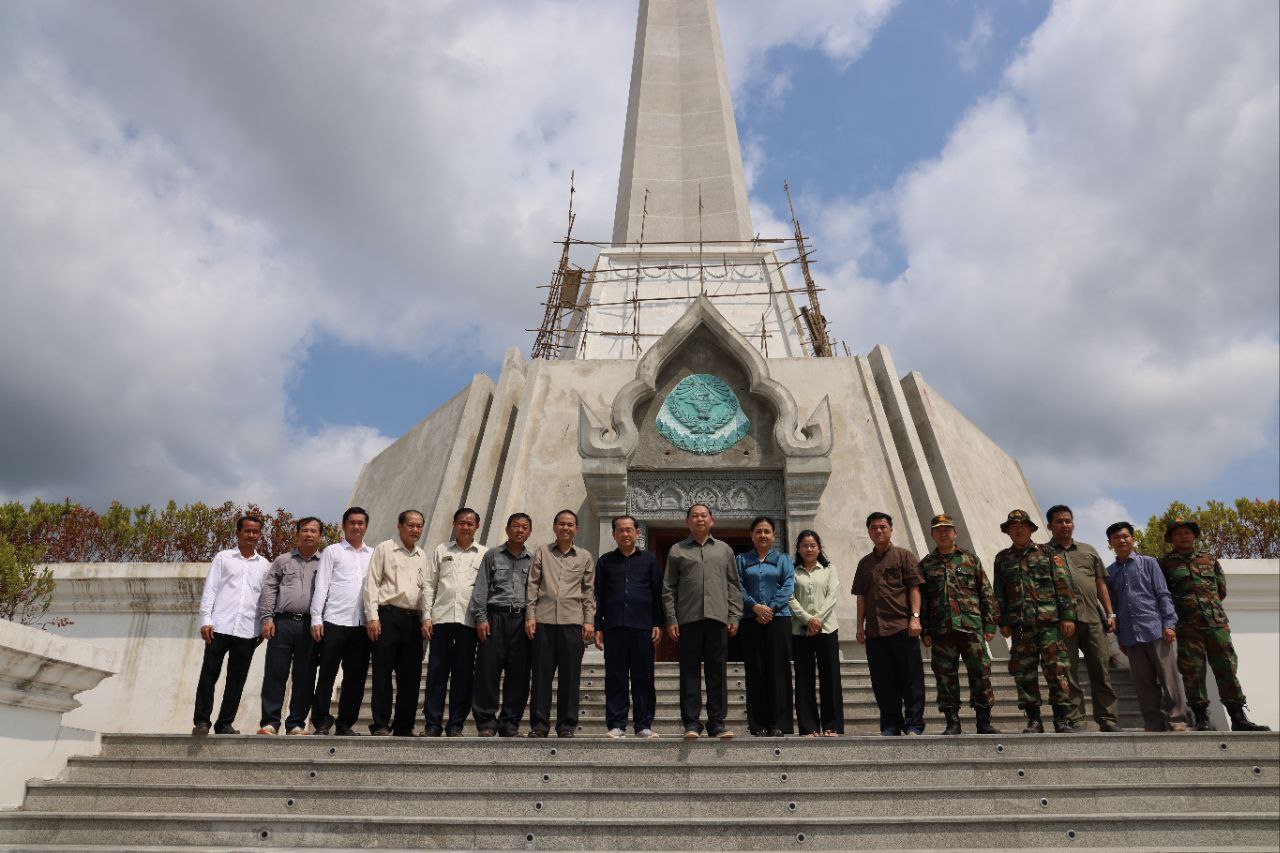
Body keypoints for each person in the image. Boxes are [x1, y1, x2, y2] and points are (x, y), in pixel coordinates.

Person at [1160, 517, 1269, 732]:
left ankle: (1239, 717)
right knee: (1192, 672)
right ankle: (1201, 718)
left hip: (1216, 624)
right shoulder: (1164, 564)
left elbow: (1221, 589)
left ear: (1194, 535)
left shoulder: (1209, 559)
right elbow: (1164, 595)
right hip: (1187, 626)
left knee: (1227, 668)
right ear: (1171, 538)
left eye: (1187, 532)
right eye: (1178, 533)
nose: (1184, 536)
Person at [992, 509, 1077, 734]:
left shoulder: (1048, 554)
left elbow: (1063, 586)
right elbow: (999, 593)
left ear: (1030, 528)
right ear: (1008, 531)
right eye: (1013, 526)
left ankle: (1062, 719)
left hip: (1049, 623)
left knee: (1057, 672)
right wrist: (1002, 621)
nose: (1018, 529)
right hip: (1020, 626)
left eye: (1022, 525)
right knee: (1025, 674)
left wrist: (1067, 616)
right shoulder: (1002, 559)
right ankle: (1034, 720)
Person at [662, 503, 742, 740]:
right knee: (689, 673)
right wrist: (671, 619)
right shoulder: (677, 550)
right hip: (688, 620)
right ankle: (692, 722)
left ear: (711, 520)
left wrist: (734, 615)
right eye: (694, 516)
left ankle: (717, 722)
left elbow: (733, 586)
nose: (699, 519)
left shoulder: (724, 550)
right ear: (687, 521)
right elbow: (668, 588)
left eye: (703, 515)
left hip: (718, 618)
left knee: (717, 672)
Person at [917, 513, 1000, 735]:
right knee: (945, 677)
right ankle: (952, 721)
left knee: (980, 674)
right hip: (941, 630)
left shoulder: (970, 560)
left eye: (947, 529)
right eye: (938, 530)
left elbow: (986, 593)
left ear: (955, 533)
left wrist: (990, 625)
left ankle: (983, 720)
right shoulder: (926, 564)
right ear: (933, 534)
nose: (943, 533)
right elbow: (922, 601)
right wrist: (924, 629)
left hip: (971, 627)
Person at [1104, 521, 1188, 732]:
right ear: (1110, 543)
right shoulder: (1110, 572)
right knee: (1143, 685)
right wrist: (1121, 637)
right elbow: (1113, 606)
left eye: (1125, 536)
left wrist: (1169, 623)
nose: (1121, 540)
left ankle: (1178, 720)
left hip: (1156, 630)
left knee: (1169, 679)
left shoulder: (1149, 563)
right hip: (1131, 636)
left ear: (1132, 539)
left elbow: (1163, 594)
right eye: (1116, 538)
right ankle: (1153, 723)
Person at [1045, 504, 1121, 732]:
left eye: (1068, 520)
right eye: (1059, 521)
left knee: (1101, 670)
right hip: (1062, 623)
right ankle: (1076, 719)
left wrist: (1110, 613)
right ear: (1050, 526)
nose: (1064, 525)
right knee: (1069, 673)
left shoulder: (1088, 550)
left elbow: (1100, 584)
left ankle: (1107, 718)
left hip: (1093, 619)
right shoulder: (1044, 553)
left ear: (1073, 523)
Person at [193, 514, 270, 735]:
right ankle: (202, 721)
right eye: (247, 531)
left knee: (237, 680)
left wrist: (262, 626)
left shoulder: (264, 565)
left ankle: (225, 722)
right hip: (219, 627)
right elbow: (211, 590)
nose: (251, 535)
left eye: (255, 531)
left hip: (248, 630)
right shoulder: (223, 558)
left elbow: (264, 598)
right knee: (209, 675)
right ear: (238, 533)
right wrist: (206, 619)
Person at [852, 512, 925, 736]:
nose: (879, 531)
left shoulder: (904, 556)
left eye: (883, 527)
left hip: (902, 627)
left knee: (911, 679)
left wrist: (915, 617)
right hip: (875, 631)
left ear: (891, 529)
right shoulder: (865, 563)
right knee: (883, 683)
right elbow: (861, 596)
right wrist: (859, 626)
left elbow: (914, 587)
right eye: (874, 528)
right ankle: (891, 724)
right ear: (869, 532)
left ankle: (913, 724)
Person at [526, 509, 595, 738]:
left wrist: (589, 622)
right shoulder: (542, 552)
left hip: (572, 623)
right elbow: (533, 586)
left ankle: (566, 725)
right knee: (541, 676)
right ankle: (539, 725)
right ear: (554, 527)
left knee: (570, 676)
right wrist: (530, 616)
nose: (566, 528)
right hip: (543, 621)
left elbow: (588, 592)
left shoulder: (584, 556)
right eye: (562, 524)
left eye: (570, 524)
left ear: (576, 528)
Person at [593, 514, 663, 738]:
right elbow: (598, 596)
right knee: (615, 677)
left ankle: (643, 725)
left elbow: (657, 594)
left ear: (637, 533)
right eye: (620, 530)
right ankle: (616, 724)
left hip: (642, 627)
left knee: (644, 677)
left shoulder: (649, 560)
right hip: (614, 627)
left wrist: (658, 623)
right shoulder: (605, 561)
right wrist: (598, 627)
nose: (625, 534)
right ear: (614, 534)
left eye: (629, 529)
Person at [421, 507, 486, 737]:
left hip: (469, 623)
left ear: (476, 526)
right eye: (461, 523)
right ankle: (433, 724)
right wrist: (426, 616)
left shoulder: (483, 554)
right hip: (442, 619)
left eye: (470, 523)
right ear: (454, 524)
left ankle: (456, 724)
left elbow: (484, 590)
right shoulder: (441, 550)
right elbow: (430, 584)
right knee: (437, 673)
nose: (465, 527)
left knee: (463, 675)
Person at [309, 507, 374, 736]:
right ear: (344, 526)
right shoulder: (332, 551)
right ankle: (321, 721)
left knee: (355, 678)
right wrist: (316, 618)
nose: (356, 527)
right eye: (352, 523)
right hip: (334, 621)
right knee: (327, 674)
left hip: (361, 625)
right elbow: (322, 585)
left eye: (361, 523)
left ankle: (346, 723)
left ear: (366, 526)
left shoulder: (373, 554)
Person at [256, 516, 323, 736]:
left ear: (320, 536)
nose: (309, 534)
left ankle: (296, 723)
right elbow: (269, 589)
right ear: (297, 534)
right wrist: (266, 618)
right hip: (282, 623)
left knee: (305, 675)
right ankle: (270, 722)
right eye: (305, 530)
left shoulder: (325, 563)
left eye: (313, 531)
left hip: (310, 626)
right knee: (275, 673)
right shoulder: (282, 560)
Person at [470, 513, 535, 737]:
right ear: (507, 529)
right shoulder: (492, 555)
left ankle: (510, 723)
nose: (519, 530)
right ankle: (486, 722)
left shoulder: (533, 560)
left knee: (519, 674)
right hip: (495, 618)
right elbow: (481, 588)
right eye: (515, 526)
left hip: (522, 620)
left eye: (524, 527)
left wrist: (531, 618)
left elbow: (535, 593)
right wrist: (481, 617)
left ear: (529, 532)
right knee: (487, 672)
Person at [364, 510, 428, 736]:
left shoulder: (422, 555)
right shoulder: (385, 548)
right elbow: (371, 583)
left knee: (410, 676)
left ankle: (404, 725)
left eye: (419, 526)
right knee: (382, 672)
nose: (415, 530)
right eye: (411, 525)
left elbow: (426, 590)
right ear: (400, 526)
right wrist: (372, 616)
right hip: (387, 616)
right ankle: (381, 723)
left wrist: (427, 618)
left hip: (413, 619)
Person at [736, 516, 795, 736]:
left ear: (773, 535)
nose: (763, 535)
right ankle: (758, 724)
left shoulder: (783, 559)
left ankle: (779, 723)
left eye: (767, 531)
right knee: (756, 671)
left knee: (779, 671)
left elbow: (788, 585)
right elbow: (737, 585)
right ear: (751, 535)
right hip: (751, 620)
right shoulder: (741, 559)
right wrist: (754, 607)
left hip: (779, 619)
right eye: (758, 531)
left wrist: (769, 608)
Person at [788, 530, 843, 737]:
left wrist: (817, 619)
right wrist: (807, 620)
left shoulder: (829, 569)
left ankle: (832, 725)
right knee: (804, 678)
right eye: (804, 546)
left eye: (813, 545)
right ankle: (808, 726)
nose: (809, 549)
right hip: (800, 631)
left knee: (830, 677)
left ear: (819, 548)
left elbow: (832, 596)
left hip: (827, 629)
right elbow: (789, 597)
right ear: (798, 549)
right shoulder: (792, 571)